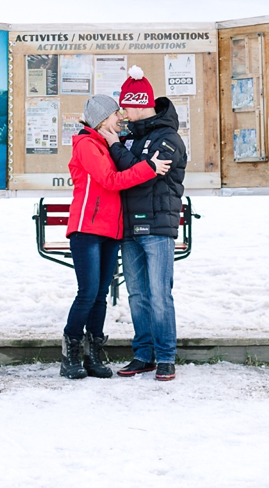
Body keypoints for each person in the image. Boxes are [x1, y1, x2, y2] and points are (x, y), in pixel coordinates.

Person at [62, 93, 171, 380]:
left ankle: (94, 353)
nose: (120, 118)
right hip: (87, 228)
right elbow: (111, 181)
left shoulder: (108, 144)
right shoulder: (87, 145)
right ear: (101, 120)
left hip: (111, 230)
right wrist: (149, 168)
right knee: (87, 293)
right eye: (115, 115)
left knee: (100, 296)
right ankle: (71, 352)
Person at [103, 66, 187, 382]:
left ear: (139, 104)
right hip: (129, 227)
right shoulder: (133, 139)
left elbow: (141, 176)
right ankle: (144, 354)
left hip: (157, 228)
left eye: (125, 106)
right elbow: (133, 172)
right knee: (137, 294)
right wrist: (123, 150)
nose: (122, 113)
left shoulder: (169, 138)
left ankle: (165, 357)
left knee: (159, 294)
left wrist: (116, 147)